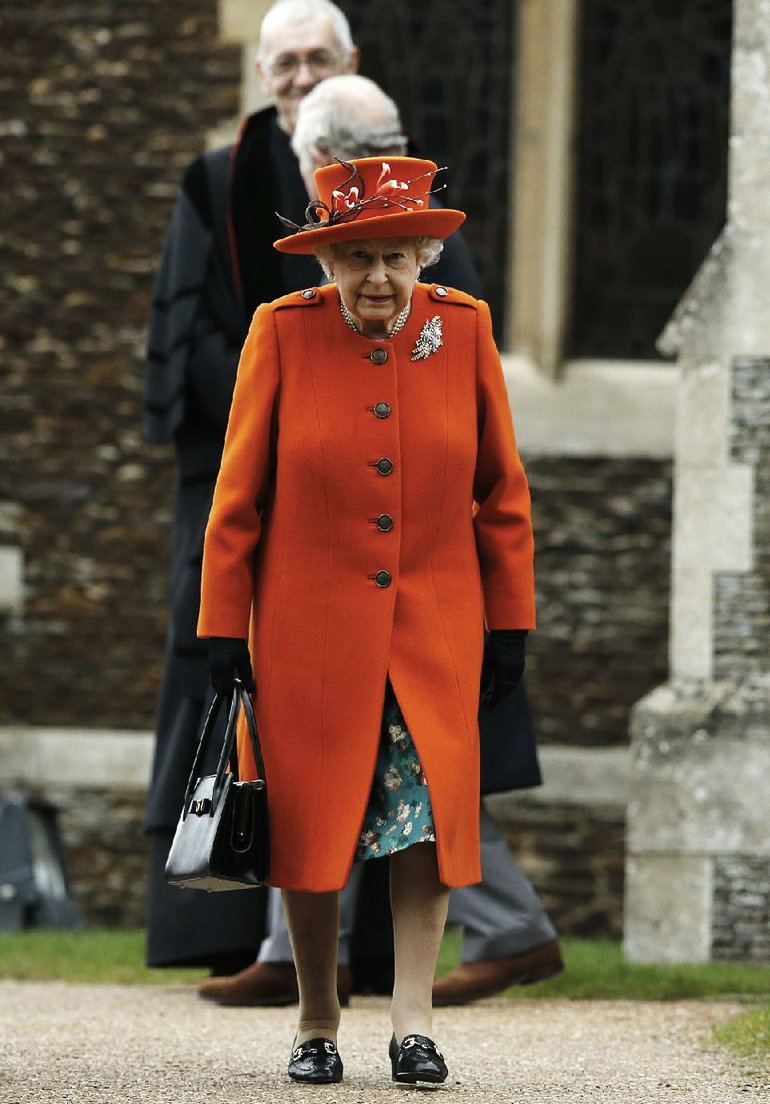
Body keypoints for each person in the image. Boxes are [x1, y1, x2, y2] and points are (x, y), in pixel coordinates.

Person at [195, 73, 561, 1010]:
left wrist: (509, 625)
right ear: (327, 265)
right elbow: (236, 502)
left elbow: (503, 494)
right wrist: (221, 634)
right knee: (312, 838)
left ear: (425, 255)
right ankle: (317, 1013)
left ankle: (411, 1019)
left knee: (425, 830)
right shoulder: (280, 337)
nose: (378, 278)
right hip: (307, 637)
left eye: (397, 256)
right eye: (356, 258)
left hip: (432, 633)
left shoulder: (465, 334)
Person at [143, 1, 480, 974]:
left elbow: (447, 339)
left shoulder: (402, 197)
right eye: (283, 60)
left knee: (407, 736)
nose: (298, 74)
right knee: (256, 721)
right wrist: (280, 419)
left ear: (350, 63)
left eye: (316, 58)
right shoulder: (221, 180)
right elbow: (193, 331)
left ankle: (386, 959)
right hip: (245, 474)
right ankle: (230, 929)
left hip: (392, 513)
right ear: (259, 73)